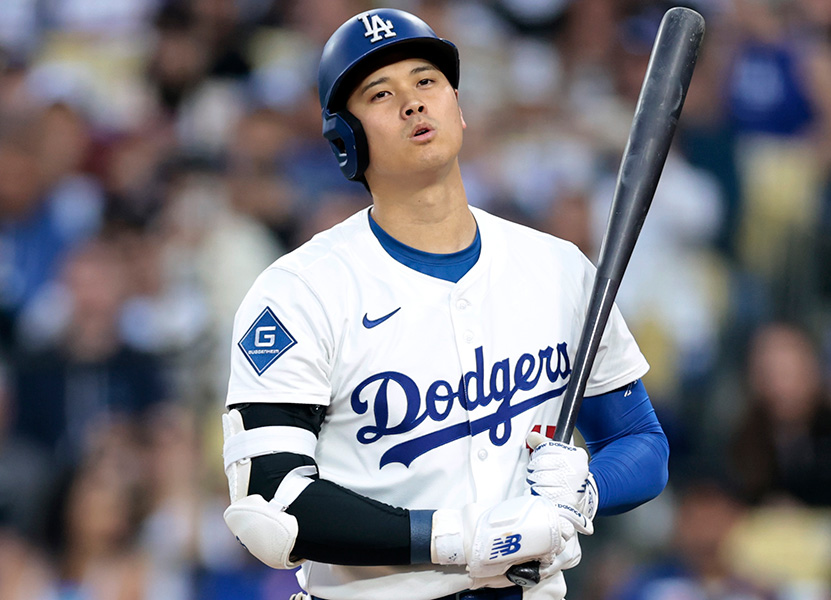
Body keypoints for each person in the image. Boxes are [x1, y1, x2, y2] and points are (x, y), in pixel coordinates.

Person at [221, 8, 669, 600]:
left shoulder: (557, 268)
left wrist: (587, 488)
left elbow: (641, 443)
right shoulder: (302, 291)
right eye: (381, 93)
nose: (412, 103)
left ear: (458, 107)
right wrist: (452, 537)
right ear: (345, 140)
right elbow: (269, 505)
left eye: (426, 81)